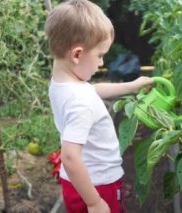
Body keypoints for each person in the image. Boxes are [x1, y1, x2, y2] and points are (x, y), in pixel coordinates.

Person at [44, 0, 153, 212]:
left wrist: (131, 86)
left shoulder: (63, 83)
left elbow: (92, 89)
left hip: (77, 183)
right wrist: (94, 202)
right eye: (100, 55)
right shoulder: (81, 102)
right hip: (97, 186)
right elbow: (70, 156)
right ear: (77, 55)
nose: (102, 63)